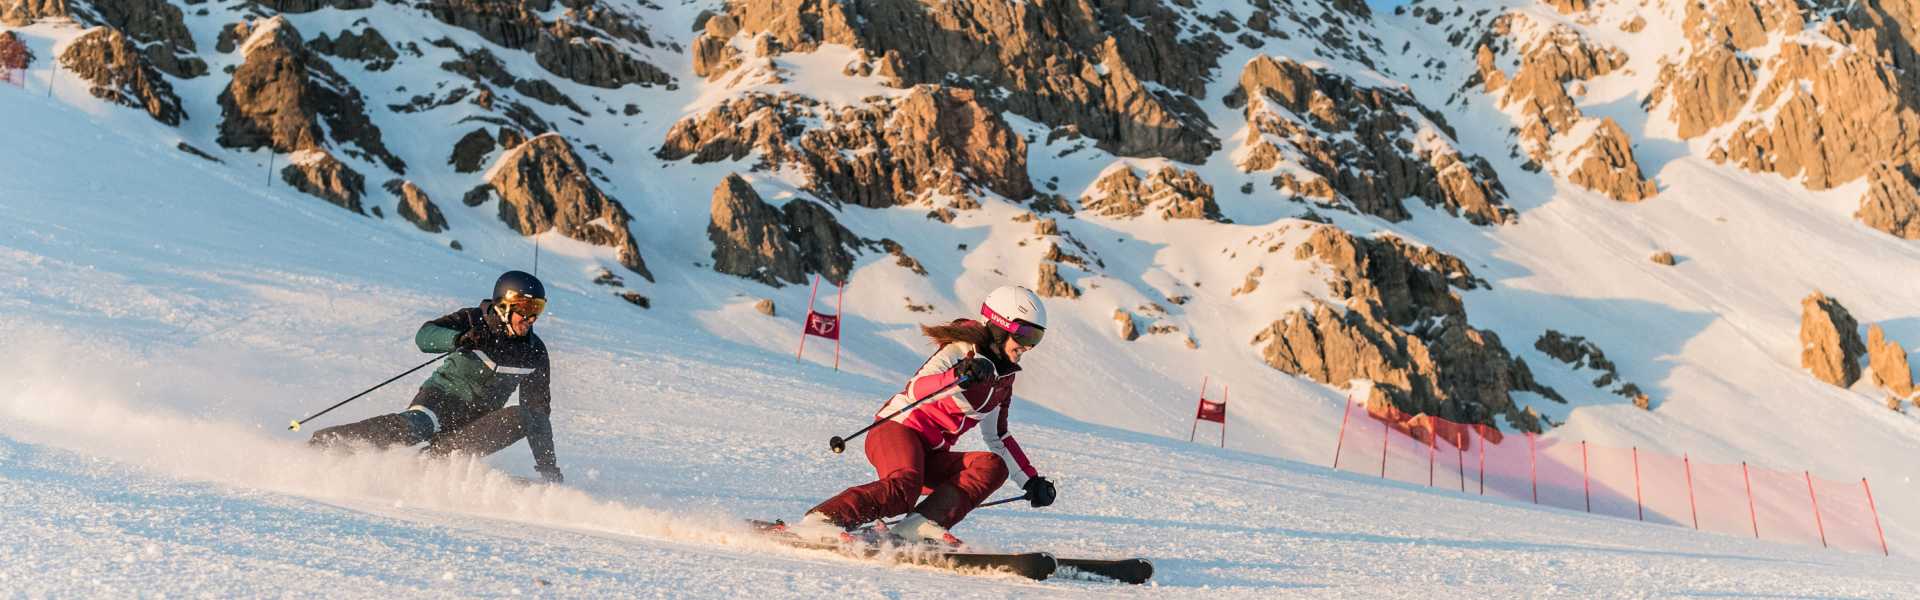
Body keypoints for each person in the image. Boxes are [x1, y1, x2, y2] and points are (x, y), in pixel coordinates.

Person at [794, 285, 1058, 546]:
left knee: (992, 466)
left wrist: (1030, 481)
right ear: (1000, 325)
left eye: (1037, 338)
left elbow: (998, 436)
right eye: (1025, 334)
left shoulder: (1002, 381)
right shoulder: (960, 351)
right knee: (904, 488)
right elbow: (916, 389)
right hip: (897, 429)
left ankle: (918, 527)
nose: (1028, 346)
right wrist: (958, 376)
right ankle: (823, 520)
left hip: (932, 453)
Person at [308, 270, 563, 483]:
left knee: (524, 416)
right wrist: (458, 338)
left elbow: (538, 413)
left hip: (475, 423)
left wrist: (549, 470)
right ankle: (329, 442)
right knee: (418, 426)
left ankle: (425, 466)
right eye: (526, 308)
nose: (531, 318)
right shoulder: (474, 320)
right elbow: (424, 336)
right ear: (504, 305)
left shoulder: (535, 352)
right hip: (441, 400)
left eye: (538, 309)